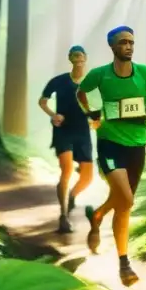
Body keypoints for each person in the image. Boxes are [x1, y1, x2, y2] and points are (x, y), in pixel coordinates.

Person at [76, 25, 146, 288]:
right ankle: (124, 263)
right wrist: (90, 113)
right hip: (109, 144)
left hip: (137, 146)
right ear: (112, 47)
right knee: (126, 199)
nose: (128, 46)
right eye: (122, 42)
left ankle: (98, 215)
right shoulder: (100, 75)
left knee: (123, 203)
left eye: (131, 42)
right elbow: (81, 92)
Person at [38, 45, 96, 234]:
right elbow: (42, 101)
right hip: (63, 130)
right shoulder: (59, 81)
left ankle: (71, 197)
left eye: (80, 55)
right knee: (67, 170)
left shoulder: (92, 82)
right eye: (74, 55)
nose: (78, 58)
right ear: (70, 58)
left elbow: (99, 107)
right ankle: (63, 217)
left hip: (83, 132)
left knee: (87, 177)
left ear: (85, 58)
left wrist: (96, 120)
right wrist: (53, 115)